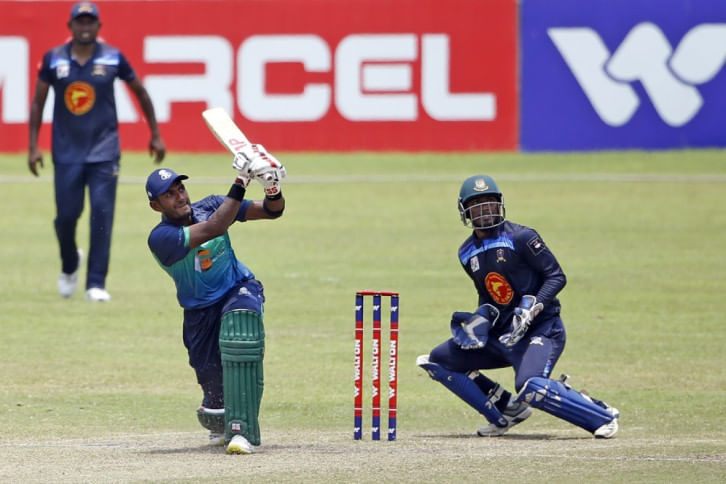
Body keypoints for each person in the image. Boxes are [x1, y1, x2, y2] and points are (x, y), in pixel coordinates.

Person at [416, 175, 619, 438]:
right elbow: (488, 293)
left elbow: (556, 276)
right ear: (465, 211)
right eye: (477, 205)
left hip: (541, 330)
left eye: (490, 202)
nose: (485, 210)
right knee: (438, 359)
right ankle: (506, 411)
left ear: (500, 204)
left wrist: (535, 306)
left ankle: (601, 415)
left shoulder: (522, 236)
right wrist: (481, 319)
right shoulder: (466, 252)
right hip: (504, 335)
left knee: (530, 385)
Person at [146, 146, 286, 454]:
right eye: (169, 195)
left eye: (180, 189)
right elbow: (215, 227)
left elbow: (272, 211)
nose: (180, 197)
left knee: (241, 334)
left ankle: (243, 432)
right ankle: (222, 421)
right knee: (215, 402)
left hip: (237, 288)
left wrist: (272, 186)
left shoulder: (210, 205)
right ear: (156, 206)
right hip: (199, 313)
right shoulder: (161, 238)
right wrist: (242, 179)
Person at [28, 2, 165, 302]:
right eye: (80, 22)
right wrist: (33, 145)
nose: (85, 27)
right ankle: (69, 264)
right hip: (66, 152)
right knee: (66, 217)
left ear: (99, 26)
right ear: (70, 26)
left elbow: (140, 92)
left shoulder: (113, 57)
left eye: (90, 22)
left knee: (102, 214)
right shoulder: (54, 59)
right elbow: (38, 102)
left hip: (104, 151)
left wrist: (155, 134)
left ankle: (95, 283)